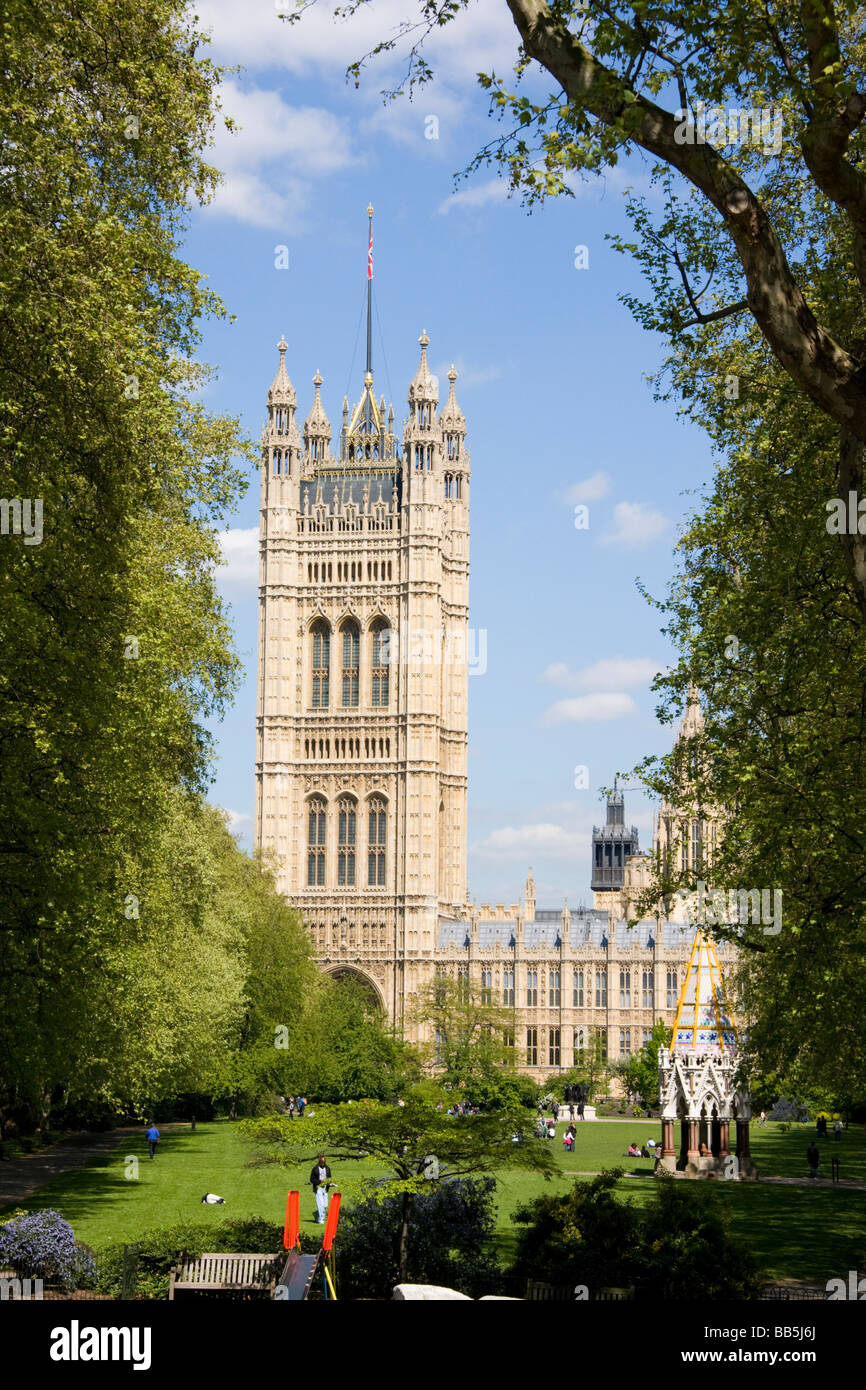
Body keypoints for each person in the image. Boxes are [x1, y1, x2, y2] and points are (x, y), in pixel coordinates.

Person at [310, 1153, 332, 1222]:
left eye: (324, 1162)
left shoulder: (328, 1169)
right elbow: (312, 1179)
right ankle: (321, 1220)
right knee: (321, 1204)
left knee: (325, 1205)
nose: (323, 1163)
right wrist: (320, 1181)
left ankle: (316, 1214)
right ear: (319, 1161)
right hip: (318, 1188)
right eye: (322, 1162)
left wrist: (330, 1183)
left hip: (325, 1188)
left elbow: (330, 1178)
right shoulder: (315, 1169)